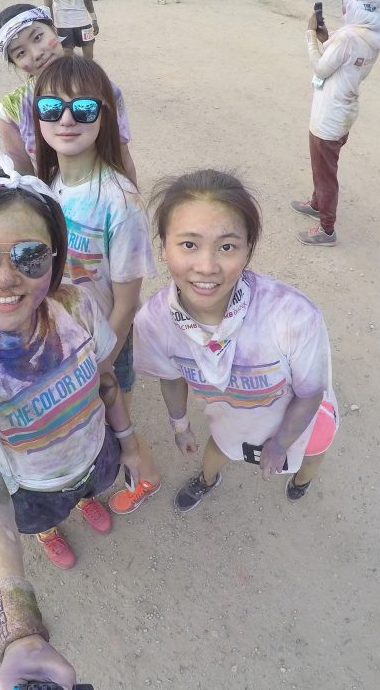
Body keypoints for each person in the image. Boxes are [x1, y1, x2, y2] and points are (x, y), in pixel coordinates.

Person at [0, 173, 142, 653]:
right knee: (43, 516)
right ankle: (48, 530)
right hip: (32, 488)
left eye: (30, 256)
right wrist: (17, 632)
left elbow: (105, 380)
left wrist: (130, 445)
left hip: (96, 452)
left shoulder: (76, 304)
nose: (5, 277)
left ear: (55, 259)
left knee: (91, 486)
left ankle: (83, 500)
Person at [135, 170, 338, 508]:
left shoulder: (293, 317)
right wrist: (180, 426)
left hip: (303, 424)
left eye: (226, 246)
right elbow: (171, 377)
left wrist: (280, 445)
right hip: (231, 420)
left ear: (247, 251)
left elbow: (309, 394)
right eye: (189, 244)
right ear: (163, 248)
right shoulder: (154, 324)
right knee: (220, 449)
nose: (206, 266)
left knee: (311, 455)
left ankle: (301, 484)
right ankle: (207, 479)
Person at [32, 55, 162, 513]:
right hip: (60, 336)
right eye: (52, 107)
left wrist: (101, 362)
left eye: (83, 108)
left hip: (105, 341)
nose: (66, 119)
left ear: (104, 115)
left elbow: (126, 303)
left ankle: (145, 477)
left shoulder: (119, 201)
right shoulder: (47, 184)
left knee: (114, 416)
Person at [0, 3, 136, 182]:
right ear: (15, 64)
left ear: (53, 29)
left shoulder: (104, 90)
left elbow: (122, 156)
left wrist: (133, 196)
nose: (36, 54)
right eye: (21, 53)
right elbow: (25, 177)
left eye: (37, 37)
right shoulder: (11, 112)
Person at [292, 0, 380, 247]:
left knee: (325, 173)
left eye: (346, 2)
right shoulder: (373, 34)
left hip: (330, 114)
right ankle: (316, 204)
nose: (343, 7)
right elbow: (345, 60)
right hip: (345, 109)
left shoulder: (348, 37)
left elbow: (321, 68)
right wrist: (325, 37)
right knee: (323, 167)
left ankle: (327, 230)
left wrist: (310, 35)